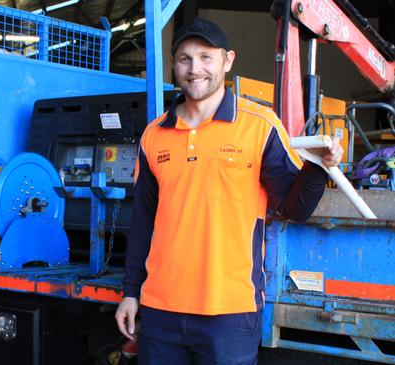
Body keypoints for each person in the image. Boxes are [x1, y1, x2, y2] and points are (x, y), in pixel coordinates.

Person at [115, 18, 343, 365]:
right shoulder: (153, 136)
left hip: (229, 311)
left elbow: (294, 208)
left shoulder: (259, 127)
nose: (195, 69)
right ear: (174, 65)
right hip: (160, 309)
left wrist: (316, 168)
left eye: (206, 57)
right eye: (185, 59)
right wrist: (131, 293)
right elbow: (143, 222)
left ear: (228, 60)